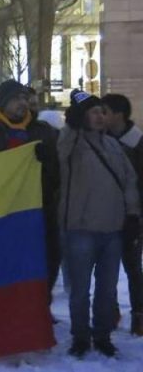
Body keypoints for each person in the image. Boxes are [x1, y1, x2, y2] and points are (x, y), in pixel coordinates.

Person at [59, 91, 140, 357]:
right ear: (82, 117)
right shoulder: (72, 143)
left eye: (102, 112)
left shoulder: (114, 146)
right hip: (80, 228)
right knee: (80, 290)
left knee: (107, 289)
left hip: (112, 231)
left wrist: (131, 215)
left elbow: (129, 182)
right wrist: (72, 121)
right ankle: (81, 337)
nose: (100, 116)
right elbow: (62, 149)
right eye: (94, 112)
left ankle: (102, 335)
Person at [0, 79, 61, 309]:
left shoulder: (42, 132)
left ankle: (39, 310)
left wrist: (46, 159)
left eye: (24, 98)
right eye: (16, 99)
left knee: (44, 263)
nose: (23, 103)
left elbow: (58, 173)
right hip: (0, 213)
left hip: (38, 210)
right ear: (4, 103)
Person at [102, 93, 143, 336]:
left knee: (132, 267)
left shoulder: (138, 143)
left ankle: (138, 315)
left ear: (118, 115)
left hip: (132, 216)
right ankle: (111, 310)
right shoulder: (99, 139)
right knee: (106, 266)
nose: (101, 116)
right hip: (104, 214)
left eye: (105, 111)